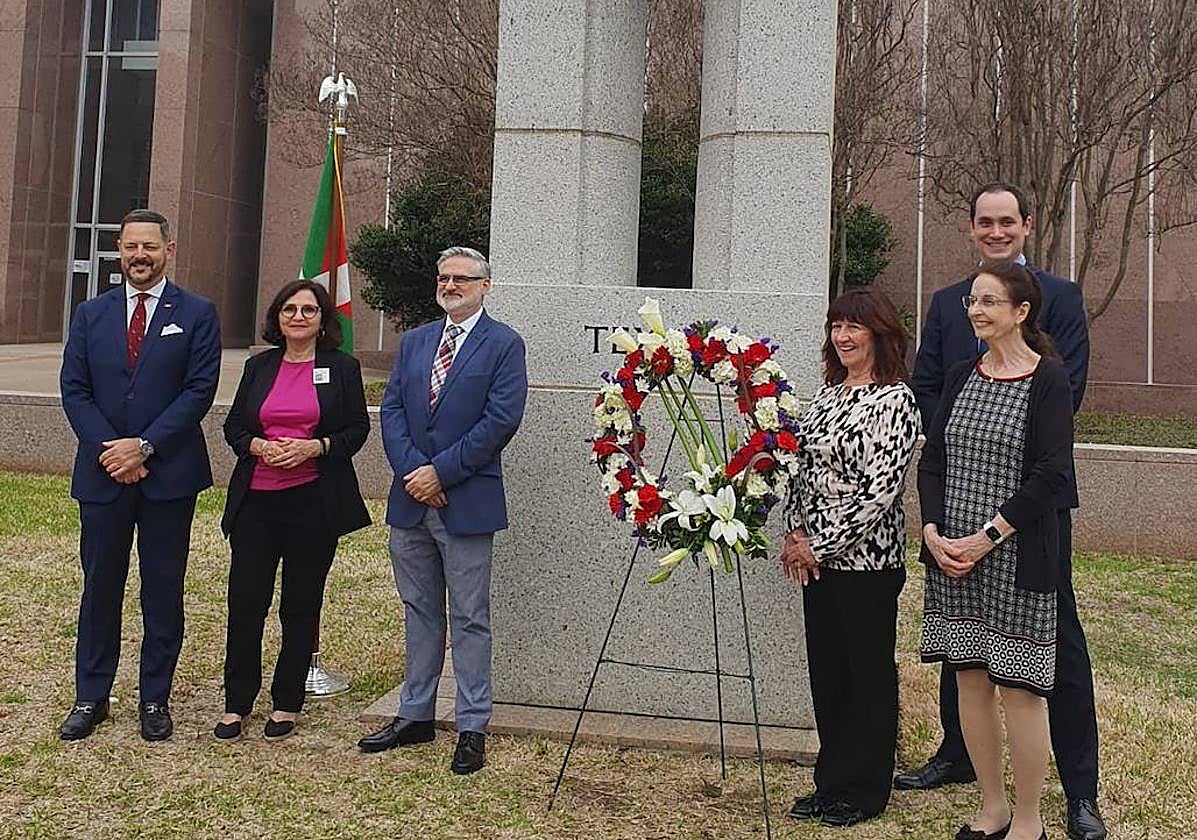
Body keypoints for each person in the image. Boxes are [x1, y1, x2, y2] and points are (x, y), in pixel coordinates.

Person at [900, 182, 1106, 840]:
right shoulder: (944, 307)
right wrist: (945, 502)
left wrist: (996, 508)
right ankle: (961, 760)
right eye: (983, 222)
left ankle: (1077, 794)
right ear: (971, 229)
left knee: (1051, 652)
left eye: (1005, 221)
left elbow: (1061, 398)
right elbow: (928, 387)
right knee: (966, 656)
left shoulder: (1061, 300)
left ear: (1025, 226)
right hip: (956, 503)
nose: (995, 231)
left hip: (1028, 518)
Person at [358, 246, 528, 775]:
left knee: (470, 617)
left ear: (485, 286)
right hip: (411, 503)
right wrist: (415, 472)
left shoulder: (503, 345)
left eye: (461, 278)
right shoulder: (415, 342)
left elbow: (500, 420)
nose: (450, 285)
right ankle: (415, 715)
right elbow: (391, 411)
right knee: (419, 611)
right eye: (444, 277)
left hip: (465, 501)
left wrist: (441, 473)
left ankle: (472, 725)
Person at [919, 261, 1074, 840]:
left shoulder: (1048, 381)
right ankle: (992, 808)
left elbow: (1052, 473)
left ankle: (1028, 819)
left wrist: (986, 538)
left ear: (1021, 311)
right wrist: (934, 532)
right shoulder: (960, 375)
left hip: (1014, 555)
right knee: (970, 680)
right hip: (951, 556)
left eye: (989, 302)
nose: (977, 311)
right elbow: (933, 461)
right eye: (972, 302)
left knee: (1020, 689)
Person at [58, 209, 221, 741]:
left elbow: (199, 391)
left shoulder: (197, 313)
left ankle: (154, 699)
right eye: (130, 247)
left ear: (168, 250)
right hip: (103, 474)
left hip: (168, 475)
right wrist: (114, 450)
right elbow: (74, 390)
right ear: (119, 251)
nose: (139, 256)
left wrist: (145, 446)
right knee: (100, 586)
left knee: (162, 589)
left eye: (149, 246)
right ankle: (91, 696)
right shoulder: (90, 314)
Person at [781, 288, 920, 828]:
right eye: (837, 325)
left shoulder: (896, 401)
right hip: (818, 561)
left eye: (854, 327)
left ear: (879, 334)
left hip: (867, 564)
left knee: (866, 675)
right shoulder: (824, 395)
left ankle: (866, 788)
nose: (842, 336)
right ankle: (831, 779)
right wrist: (795, 532)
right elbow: (799, 469)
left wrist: (822, 542)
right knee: (830, 674)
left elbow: (879, 491)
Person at [214, 280, 371, 742]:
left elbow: (356, 430)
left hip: (312, 504)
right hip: (256, 504)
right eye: (289, 309)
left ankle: (286, 703)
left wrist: (313, 447)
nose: (298, 317)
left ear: (323, 320)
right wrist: (258, 445)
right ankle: (236, 703)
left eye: (308, 310)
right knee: (246, 605)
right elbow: (234, 426)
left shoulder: (342, 368)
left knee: (300, 606)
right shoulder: (258, 366)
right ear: (277, 318)